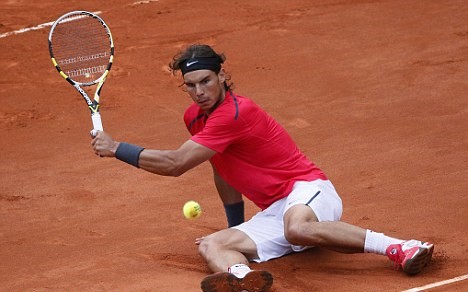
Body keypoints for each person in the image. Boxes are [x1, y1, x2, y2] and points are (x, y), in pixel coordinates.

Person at [91, 44, 434, 292]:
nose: (199, 92)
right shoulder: (194, 117)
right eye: (191, 85)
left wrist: (116, 148)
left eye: (206, 81)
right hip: (275, 211)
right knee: (212, 245)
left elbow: (175, 163)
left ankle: (400, 247)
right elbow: (220, 166)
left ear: (222, 75)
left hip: (306, 188)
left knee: (296, 228)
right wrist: (236, 227)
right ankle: (242, 278)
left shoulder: (238, 113)